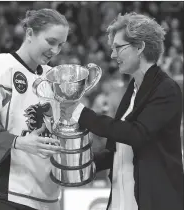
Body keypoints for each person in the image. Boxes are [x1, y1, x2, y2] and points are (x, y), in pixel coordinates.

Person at [62, 12, 183, 210]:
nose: (112, 55)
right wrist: (84, 164)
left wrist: (82, 114)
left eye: (118, 47)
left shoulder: (166, 88)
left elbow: (136, 135)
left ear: (140, 47)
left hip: (154, 201)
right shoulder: (133, 89)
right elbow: (121, 150)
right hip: (121, 200)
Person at [0, 8, 69, 210]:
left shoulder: (55, 77)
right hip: (0, 197)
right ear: (29, 34)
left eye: (61, 45)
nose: (55, 51)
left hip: (48, 200)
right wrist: (19, 142)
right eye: (51, 41)